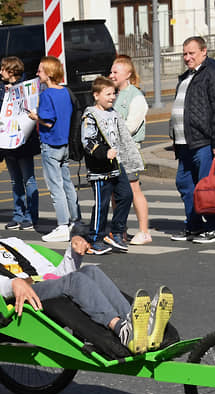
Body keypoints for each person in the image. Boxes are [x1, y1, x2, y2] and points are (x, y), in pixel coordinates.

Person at [0, 187, 174, 354]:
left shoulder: (13, 242)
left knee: (90, 272)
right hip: (10, 304)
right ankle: (120, 329)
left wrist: (74, 251)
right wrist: (12, 284)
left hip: (41, 287)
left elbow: (54, 275)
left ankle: (135, 326)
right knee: (75, 281)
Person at [168, 36, 215, 244]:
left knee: (207, 187)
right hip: (185, 142)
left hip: (204, 141)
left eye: (191, 53)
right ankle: (194, 226)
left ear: (204, 51)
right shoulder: (188, 75)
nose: (187, 57)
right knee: (185, 184)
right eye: (184, 54)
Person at [80, 77, 140, 255]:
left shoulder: (113, 113)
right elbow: (88, 142)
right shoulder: (90, 115)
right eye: (108, 94)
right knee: (102, 204)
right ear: (96, 95)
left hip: (117, 164)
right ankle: (95, 239)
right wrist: (104, 153)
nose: (112, 97)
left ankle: (116, 231)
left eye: (114, 93)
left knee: (127, 195)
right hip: (100, 170)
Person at [28, 56, 79, 243]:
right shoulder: (65, 92)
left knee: (55, 187)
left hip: (51, 145)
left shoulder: (47, 94)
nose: (37, 73)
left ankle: (63, 225)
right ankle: (75, 220)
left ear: (49, 73)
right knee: (67, 184)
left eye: (40, 70)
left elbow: (48, 122)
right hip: (65, 144)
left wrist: (35, 117)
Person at [0, 56, 40, 231]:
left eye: (2, 69)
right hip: (6, 139)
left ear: (11, 71)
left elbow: (33, 107)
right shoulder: (1, 89)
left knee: (28, 179)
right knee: (14, 180)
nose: (0, 72)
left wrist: (16, 92)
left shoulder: (27, 87)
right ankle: (18, 214)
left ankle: (31, 215)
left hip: (24, 139)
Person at [110, 55, 151, 244]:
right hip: (115, 151)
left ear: (128, 74)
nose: (111, 75)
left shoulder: (136, 96)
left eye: (115, 72)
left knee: (134, 190)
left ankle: (144, 231)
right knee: (115, 192)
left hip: (129, 150)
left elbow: (131, 126)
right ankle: (120, 230)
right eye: (111, 72)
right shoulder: (116, 95)